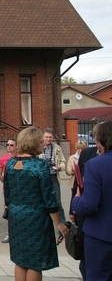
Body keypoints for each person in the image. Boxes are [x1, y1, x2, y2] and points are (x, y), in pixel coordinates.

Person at [4, 126, 69, 281]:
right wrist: (59, 223)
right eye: (40, 142)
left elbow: (7, 193)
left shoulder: (10, 164)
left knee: (20, 259)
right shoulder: (39, 165)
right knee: (35, 262)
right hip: (36, 219)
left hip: (16, 218)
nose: (42, 144)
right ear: (33, 143)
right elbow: (49, 198)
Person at [72, 120, 112, 281]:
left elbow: (88, 204)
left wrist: (75, 201)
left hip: (100, 236)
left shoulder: (95, 165)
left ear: (99, 140)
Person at [39, 128, 66, 223]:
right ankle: (44, 225)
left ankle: (63, 224)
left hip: (53, 177)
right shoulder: (38, 147)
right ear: (43, 137)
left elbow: (63, 162)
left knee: (58, 202)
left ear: (53, 138)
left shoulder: (57, 148)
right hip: (42, 178)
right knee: (42, 202)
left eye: (50, 137)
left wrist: (60, 167)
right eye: (46, 137)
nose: (48, 139)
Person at [0, 138, 17, 243]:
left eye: (12, 145)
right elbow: (0, 173)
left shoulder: (20, 158)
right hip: (7, 189)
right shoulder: (3, 159)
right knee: (9, 211)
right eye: (8, 145)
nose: (9, 147)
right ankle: (9, 234)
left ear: (16, 147)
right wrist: (6, 183)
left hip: (18, 189)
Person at [66, 139, 88, 218]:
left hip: (84, 182)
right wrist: (72, 170)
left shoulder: (87, 158)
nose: (80, 150)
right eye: (78, 148)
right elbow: (67, 171)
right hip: (74, 183)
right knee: (74, 197)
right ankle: (73, 214)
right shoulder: (72, 158)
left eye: (82, 148)